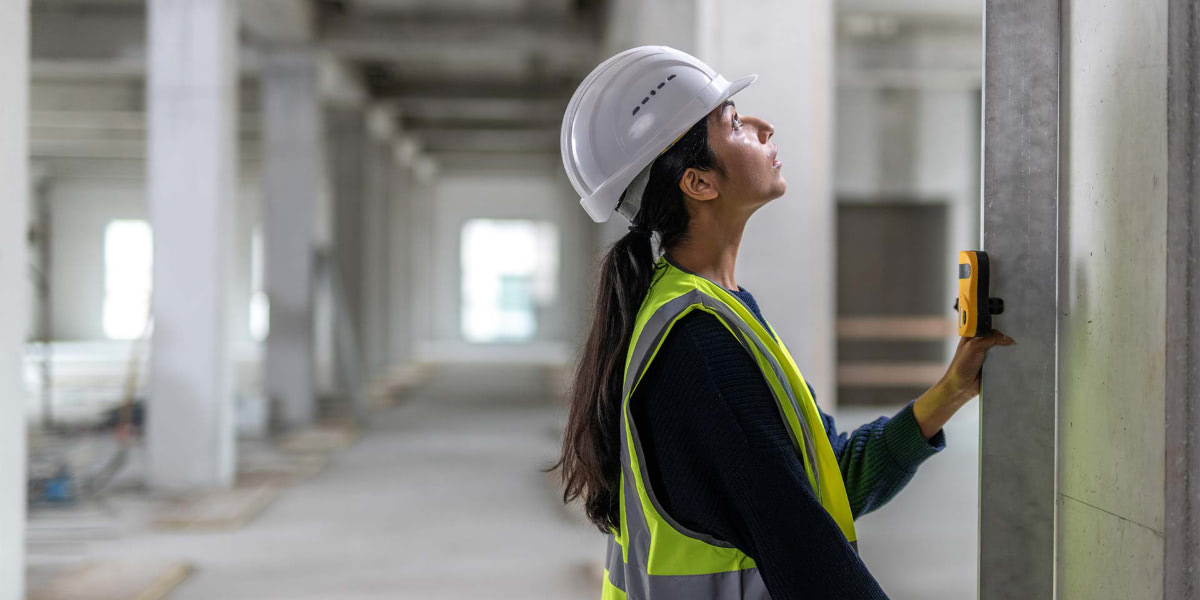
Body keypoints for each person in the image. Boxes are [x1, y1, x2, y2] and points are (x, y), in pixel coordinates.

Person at [552, 46, 1014, 600]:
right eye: (732, 122)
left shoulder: (711, 310)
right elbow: (807, 554)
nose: (762, 125)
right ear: (699, 183)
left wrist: (950, 391)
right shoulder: (698, 345)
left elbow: (826, 483)